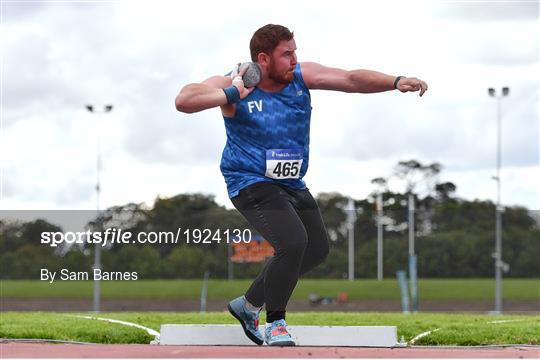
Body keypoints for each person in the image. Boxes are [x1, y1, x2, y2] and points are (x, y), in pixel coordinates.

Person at [175, 24, 428, 347]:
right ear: (263, 59)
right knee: (293, 243)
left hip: (291, 183)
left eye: (296, 51)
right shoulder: (234, 83)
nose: (295, 59)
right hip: (249, 180)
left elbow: (350, 79)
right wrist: (233, 93)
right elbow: (184, 100)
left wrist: (395, 82)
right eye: (287, 54)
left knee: (316, 249)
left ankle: (248, 305)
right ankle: (276, 322)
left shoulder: (301, 78)